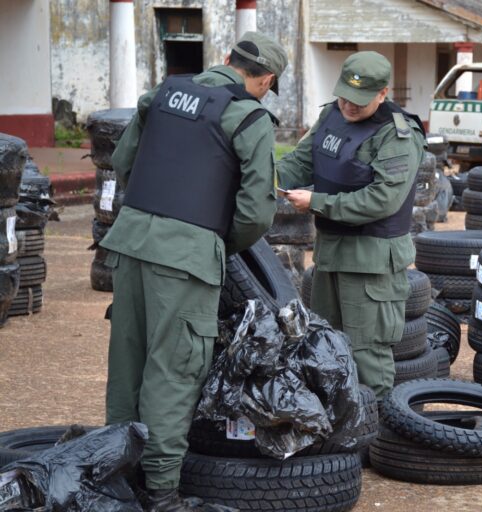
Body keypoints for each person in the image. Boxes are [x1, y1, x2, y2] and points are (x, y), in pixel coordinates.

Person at [100, 32, 287, 511]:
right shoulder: (248, 115)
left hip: (129, 241)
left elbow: (123, 164)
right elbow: (255, 213)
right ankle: (161, 491)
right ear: (265, 79)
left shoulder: (161, 95)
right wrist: (210, 243)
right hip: (185, 257)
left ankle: (113, 475)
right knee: (174, 368)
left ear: (226, 60)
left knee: (128, 362)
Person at [278, 51, 426, 399]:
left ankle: (373, 441)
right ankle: (333, 443)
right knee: (324, 344)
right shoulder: (332, 114)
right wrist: (257, 177)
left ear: (382, 94)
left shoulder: (397, 135)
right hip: (330, 252)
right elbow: (301, 161)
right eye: (344, 95)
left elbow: (382, 200)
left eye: (359, 101)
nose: (349, 106)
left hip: (371, 260)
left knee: (366, 356)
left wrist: (316, 202)